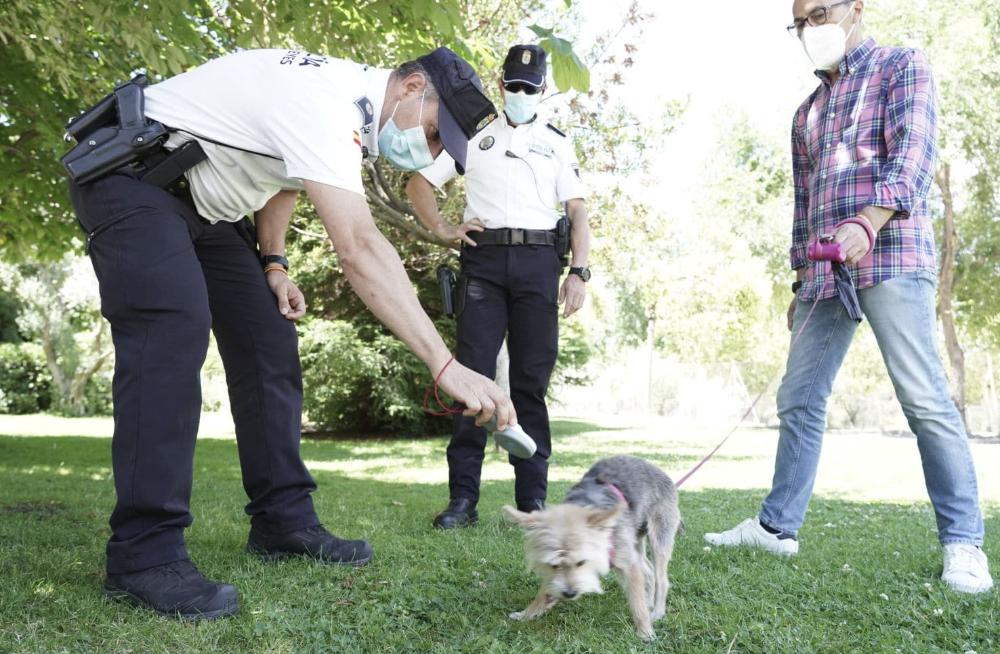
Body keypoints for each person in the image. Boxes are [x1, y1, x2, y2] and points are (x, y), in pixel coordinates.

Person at [65, 46, 518, 619]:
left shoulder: (346, 113)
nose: (428, 152)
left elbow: (284, 179)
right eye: (433, 133)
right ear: (410, 87)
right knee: (172, 329)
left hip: (203, 208)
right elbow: (358, 249)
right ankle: (143, 554)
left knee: (268, 337)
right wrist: (444, 364)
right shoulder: (327, 103)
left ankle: (282, 521)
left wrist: (273, 264)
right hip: (131, 181)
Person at [704, 0, 993, 594]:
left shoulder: (899, 65)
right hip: (824, 273)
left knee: (924, 399)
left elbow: (913, 155)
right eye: (801, 21)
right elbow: (803, 205)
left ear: (855, 8)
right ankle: (777, 527)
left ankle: (963, 543)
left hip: (891, 254)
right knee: (798, 399)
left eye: (820, 13)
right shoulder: (805, 114)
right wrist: (797, 280)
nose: (812, 28)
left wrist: (868, 221)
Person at [406, 44, 590, 529]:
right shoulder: (475, 136)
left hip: (537, 264)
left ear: (543, 89)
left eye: (531, 87)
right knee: (472, 380)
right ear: (501, 83)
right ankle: (462, 502)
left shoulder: (557, 142)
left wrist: (579, 272)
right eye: (514, 85)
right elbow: (419, 184)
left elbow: (577, 212)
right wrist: (443, 229)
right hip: (483, 263)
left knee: (530, 383)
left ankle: (533, 503)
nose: (521, 93)